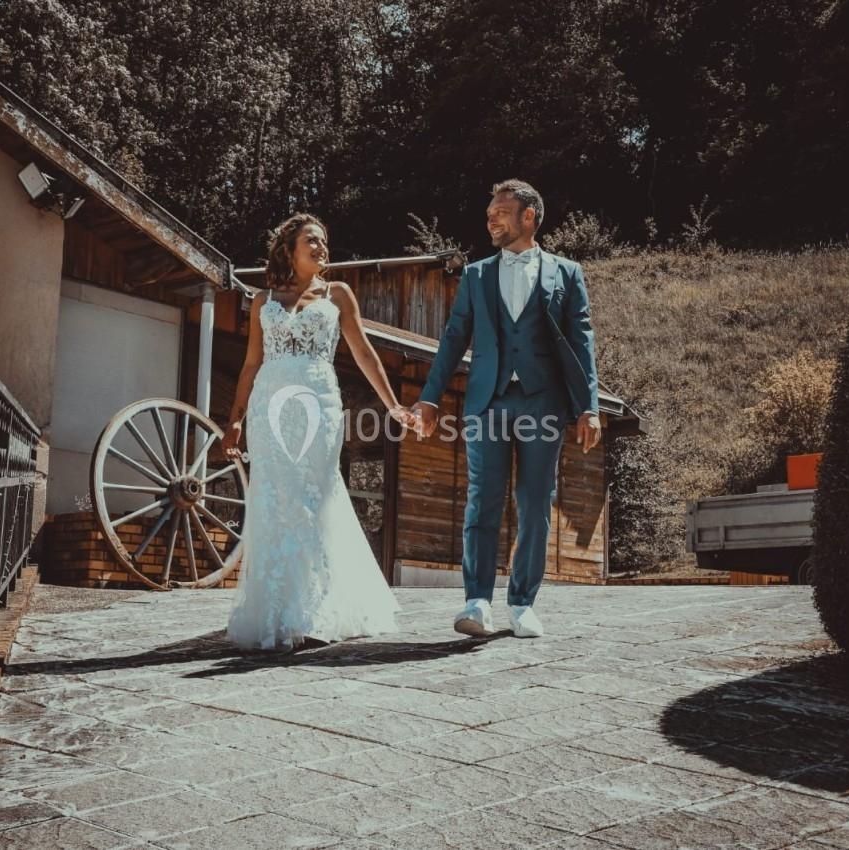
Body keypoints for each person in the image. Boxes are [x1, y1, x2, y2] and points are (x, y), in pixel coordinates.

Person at [411, 179, 602, 639]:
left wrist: (588, 407)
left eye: (501, 211)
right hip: (487, 402)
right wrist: (430, 397)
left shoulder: (567, 272)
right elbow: (455, 337)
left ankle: (523, 603)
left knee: (536, 503)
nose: (491, 218)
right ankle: (477, 602)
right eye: (490, 211)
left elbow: (581, 341)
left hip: (543, 403)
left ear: (529, 216)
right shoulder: (476, 275)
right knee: (483, 498)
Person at [221, 213, 415, 651]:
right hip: (268, 408)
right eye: (313, 239)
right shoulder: (262, 301)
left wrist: (393, 406)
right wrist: (235, 419)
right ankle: (275, 610)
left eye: (325, 241)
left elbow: (364, 353)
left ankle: (315, 611)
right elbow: (252, 363)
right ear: (289, 247)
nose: (322, 247)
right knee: (273, 499)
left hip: (319, 406)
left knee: (313, 496)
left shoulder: (338, 294)